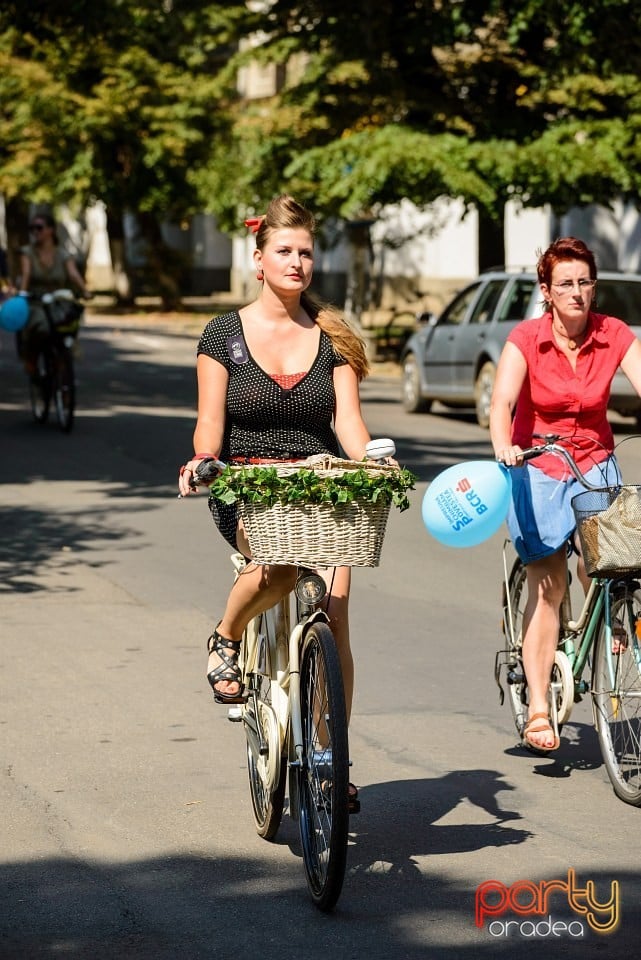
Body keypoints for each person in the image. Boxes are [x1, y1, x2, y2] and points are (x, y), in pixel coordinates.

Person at [178, 194, 378, 808]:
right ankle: (225, 636)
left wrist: (370, 461)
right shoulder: (223, 334)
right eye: (284, 252)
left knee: (335, 620)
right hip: (250, 485)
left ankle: (330, 760)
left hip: (320, 486)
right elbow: (210, 424)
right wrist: (204, 462)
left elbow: (349, 423)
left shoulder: (334, 338)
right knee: (280, 566)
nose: (297, 262)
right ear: (259, 259)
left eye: (306, 253)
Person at [490, 236, 641, 752]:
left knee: (609, 562)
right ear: (547, 292)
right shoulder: (527, 338)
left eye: (584, 282)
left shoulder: (614, 333)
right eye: (566, 285)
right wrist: (504, 445)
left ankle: (606, 618)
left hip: (595, 460)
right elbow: (502, 402)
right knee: (548, 585)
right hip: (538, 465)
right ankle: (537, 707)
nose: (577, 293)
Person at [18, 213, 89, 375]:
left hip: (59, 298)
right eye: (32, 229)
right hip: (36, 300)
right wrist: (22, 293)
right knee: (40, 326)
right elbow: (26, 273)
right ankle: (32, 359)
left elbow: (73, 274)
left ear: (51, 230)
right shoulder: (27, 252)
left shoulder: (63, 254)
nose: (35, 232)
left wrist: (85, 291)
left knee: (68, 321)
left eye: (39, 228)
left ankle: (64, 363)